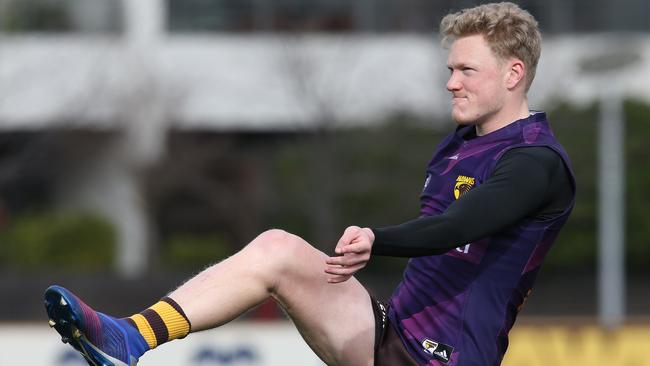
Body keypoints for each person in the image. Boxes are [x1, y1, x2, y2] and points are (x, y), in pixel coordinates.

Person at [44, 2, 575, 365]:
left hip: (445, 359)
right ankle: (129, 338)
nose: (451, 81)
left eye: (467, 70)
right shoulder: (461, 142)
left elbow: (461, 224)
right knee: (277, 249)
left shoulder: (535, 162)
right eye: (451, 68)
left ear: (513, 73)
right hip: (387, 335)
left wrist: (377, 238)